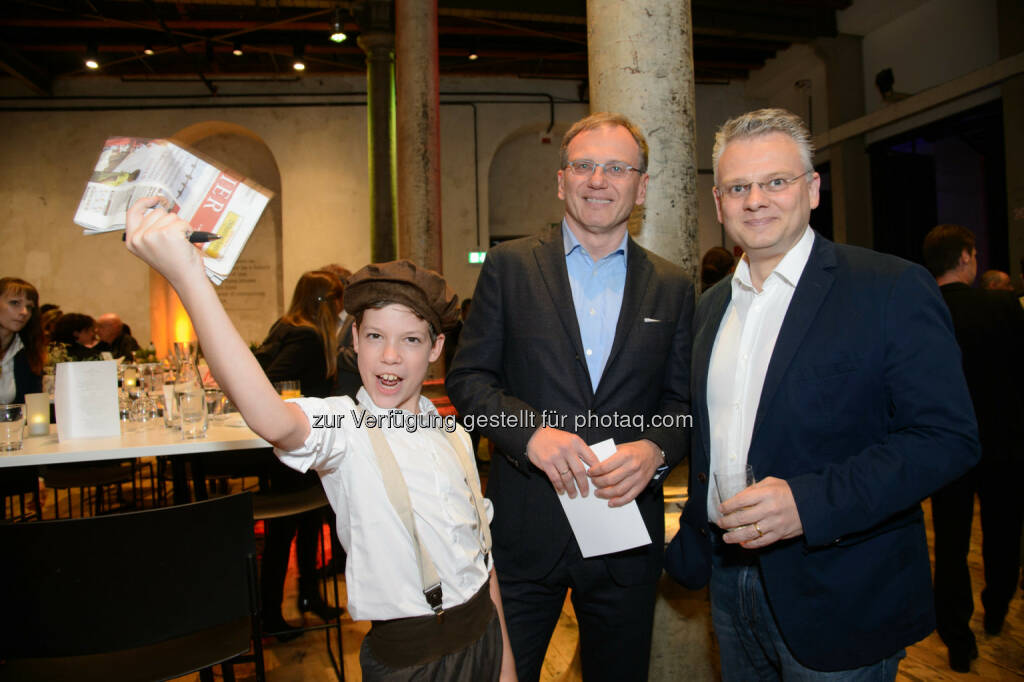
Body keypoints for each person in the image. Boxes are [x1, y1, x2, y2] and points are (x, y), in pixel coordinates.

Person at [123, 199, 517, 682]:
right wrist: (190, 280)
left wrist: (505, 668)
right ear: (353, 341)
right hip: (414, 662)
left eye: (411, 340)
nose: (390, 356)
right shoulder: (347, 430)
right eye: (374, 336)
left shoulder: (452, 433)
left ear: (436, 349)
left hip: (485, 638)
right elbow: (271, 417)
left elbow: (483, 558)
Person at [666, 108, 979, 679]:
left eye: (775, 182)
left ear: (812, 190)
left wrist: (808, 505)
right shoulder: (709, 308)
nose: (755, 200)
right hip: (731, 589)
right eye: (738, 187)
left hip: (844, 594)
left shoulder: (888, 288)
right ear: (718, 203)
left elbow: (947, 439)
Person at [447, 112, 693, 682]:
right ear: (561, 181)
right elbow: (470, 380)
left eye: (616, 167)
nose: (598, 180)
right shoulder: (509, 267)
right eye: (584, 166)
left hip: (623, 528)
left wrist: (655, 450)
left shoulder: (674, 285)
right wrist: (530, 434)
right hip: (526, 530)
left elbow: (682, 403)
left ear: (641, 185)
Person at [922, 224, 1024, 672]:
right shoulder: (1001, 307)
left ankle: (957, 637)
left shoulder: (922, 312)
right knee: (1004, 533)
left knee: (950, 542)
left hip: (944, 448)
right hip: (1003, 441)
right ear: (965, 256)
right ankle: (998, 607)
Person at [255, 270, 346, 639]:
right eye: (338, 299)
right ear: (325, 301)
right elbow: (271, 377)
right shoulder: (307, 335)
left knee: (308, 522)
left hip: (296, 442)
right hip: (295, 442)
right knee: (285, 530)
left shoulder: (287, 325)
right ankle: (270, 614)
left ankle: (308, 596)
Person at [0, 277, 44, 403]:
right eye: (15, 303)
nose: (24, 312)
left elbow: (32, 405)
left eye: (29, 307)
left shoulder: (27, 352)